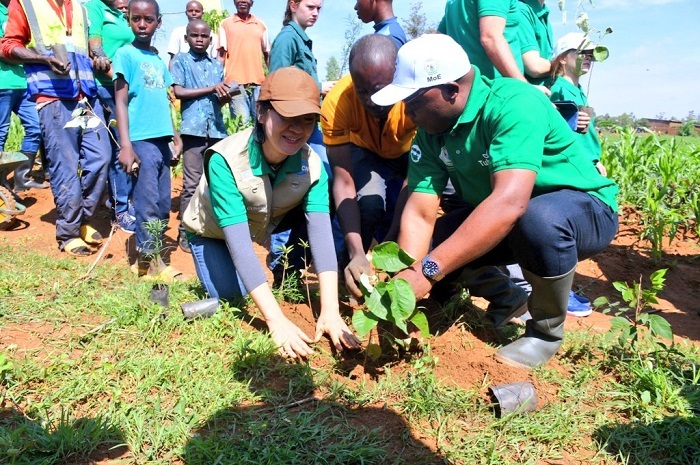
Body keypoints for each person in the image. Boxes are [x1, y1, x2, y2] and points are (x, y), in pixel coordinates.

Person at [371, 34, 619, 369]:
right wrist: (409, 282)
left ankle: (545, 332)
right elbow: (418, 213)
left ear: (451, 89)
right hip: (513, 217)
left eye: (414, 100)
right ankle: (491, 299)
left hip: (581, 212)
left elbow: (509, 203)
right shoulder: (432, 132)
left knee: (538, 219)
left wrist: (427, 271)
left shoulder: (514, 104)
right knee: (440, 241)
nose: (406, 109)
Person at [182, 66, 361, 359]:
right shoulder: (225, 160)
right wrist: (276, 321)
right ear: (262, 112)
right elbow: (239, 247)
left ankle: (277, 271)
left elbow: (322, 238)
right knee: (232, 298)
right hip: (211, 232)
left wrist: (331, 311)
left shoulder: (313, 165)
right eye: (287, 117)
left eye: (307, 120)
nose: (297, 129)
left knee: (252, 286)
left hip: (260, 221)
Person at [0, 0, 111, 256]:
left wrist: (99, 57)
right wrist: (43, 59)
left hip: (85, 95)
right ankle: (69, 232)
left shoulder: (80, 9)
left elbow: (85, 47)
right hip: (53, 96)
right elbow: (8, 45)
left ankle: (80, 217)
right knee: (65, 164)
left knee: (101, 157)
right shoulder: (27, 5)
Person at [322, 34, 414, 294]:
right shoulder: (338, 101)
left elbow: (415, 181)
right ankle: (351, 270)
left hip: (408, 153)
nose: (371, 99)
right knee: (371, 203)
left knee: (409, 214)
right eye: (362, 90)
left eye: (380, 89)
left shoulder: (414, 97)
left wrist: (387, 246)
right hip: (365, 150)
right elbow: (344, 180)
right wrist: (357, 251)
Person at [267, 0, 336, 285]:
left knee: (317, 182)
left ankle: (294, 259)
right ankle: (282, 262)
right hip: (292, 126)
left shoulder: (302, 40)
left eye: (319, 8)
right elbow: (277, 85)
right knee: (295, 186)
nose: (316, 13)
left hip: (308, 124)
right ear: (293, 5)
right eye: (310, 6)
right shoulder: (287, 39)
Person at [113, 0, 183, 276]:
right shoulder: (125, 55)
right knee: (148, 202)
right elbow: (120, 101)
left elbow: (164, 101)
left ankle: (142, 259)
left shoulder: (156, 59)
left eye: (148, 19)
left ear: (158, 22)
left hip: (161, 140)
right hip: (140, 139)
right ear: (129, 20)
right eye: (136, 19)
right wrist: (126, 144)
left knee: (164, 202)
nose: (142, 25)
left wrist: (175, 136)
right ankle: (154, 262)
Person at [171, 19, 230, 254]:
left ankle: (207, 229)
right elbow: (179, 91)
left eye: (204, 36)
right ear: (186, 38)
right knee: (191, 184)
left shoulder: (216, 65)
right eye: (194, 35)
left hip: (215, 130)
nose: (199, 39)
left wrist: (225, 94)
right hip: (193, 131)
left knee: (214, 182)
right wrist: (212, 89)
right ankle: (185, 232)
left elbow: (219, 98)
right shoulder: (181, 61)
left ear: (210, 40)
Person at [84, 0, 136, 233]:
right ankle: (120, 209)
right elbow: (95, 44)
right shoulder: (95, 8)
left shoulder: (120, 13)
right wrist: (116, 74)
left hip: (122, 87)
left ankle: (119, 201)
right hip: (105, 87)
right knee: (115, 149)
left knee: (123, 147)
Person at [0, 0, 44, 194]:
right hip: (3, 83)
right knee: (2, 132)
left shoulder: (21, 10)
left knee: (36, 126)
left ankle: (21, 177)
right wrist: (31, 55)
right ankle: (1, 181)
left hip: (24, 82)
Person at [550, 32, 607, 178]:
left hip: (588, 163)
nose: (587, 57)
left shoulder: (579, 91)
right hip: (575, 166)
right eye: (581, 52)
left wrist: (595, 160)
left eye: (590, 54)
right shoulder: (558, 90)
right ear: (562, 58)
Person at [438, 0, 526, 81]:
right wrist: (524, 86)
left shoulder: (453, 3)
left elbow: (438, 41)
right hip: (499, 87)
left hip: (469, 87)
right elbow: (490, 38)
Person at [217, 0, 269, 126]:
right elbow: (221, 56)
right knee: (241, 125)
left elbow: (267, 54)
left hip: (258, 84)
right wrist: (218, 82)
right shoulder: (226, 24)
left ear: (252, 2)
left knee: (261, 124)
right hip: (235, 84)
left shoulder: (260, 25)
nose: (242, 1)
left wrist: (273, 80)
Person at [167, 1, 217, 66]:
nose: (193, 13)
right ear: (186, 13)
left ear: (202, 13)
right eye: (190, 11)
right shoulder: (177, 32)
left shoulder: (212, 35)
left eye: (197, 11)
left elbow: (215, 59)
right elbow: (173, 59)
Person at [518, 0, 553, 85]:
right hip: (529, 94)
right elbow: (534, 67)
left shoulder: (543, 13)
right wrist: (565, 65)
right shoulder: (521, 10)